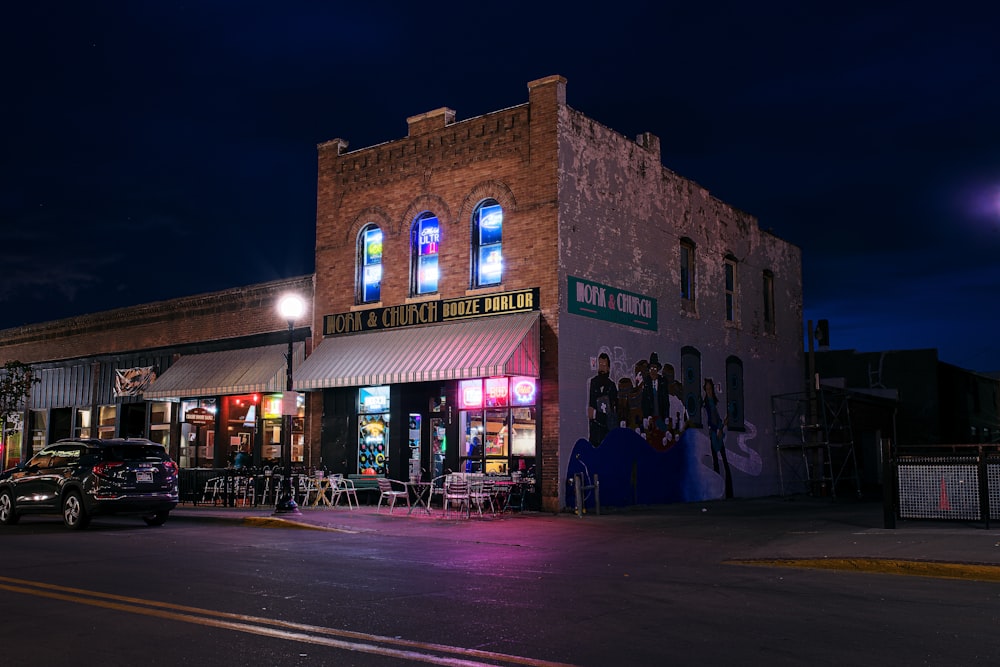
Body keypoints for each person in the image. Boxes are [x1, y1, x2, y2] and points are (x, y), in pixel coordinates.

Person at [702, 378, 734, 498]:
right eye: (707, 389)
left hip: (717, 432)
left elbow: (717, 418)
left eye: (710, 388)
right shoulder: (707, 403)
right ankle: (717, 491)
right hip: (714, 434)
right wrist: (718, 429)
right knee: (716, 461)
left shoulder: (713, 402)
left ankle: (727, 492)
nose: (709, 391)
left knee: (724, 461)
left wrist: (722, 425)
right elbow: (710, 420)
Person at [588, 352, 618, 446]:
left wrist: (596, 414)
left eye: (604, 365)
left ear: (608, 368)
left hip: (607, 433)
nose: (601, 368)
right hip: (595, 434)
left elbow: (611, 415)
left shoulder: (611, 386)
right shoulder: (593, 383)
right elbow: (591, 408)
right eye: (600, 364)